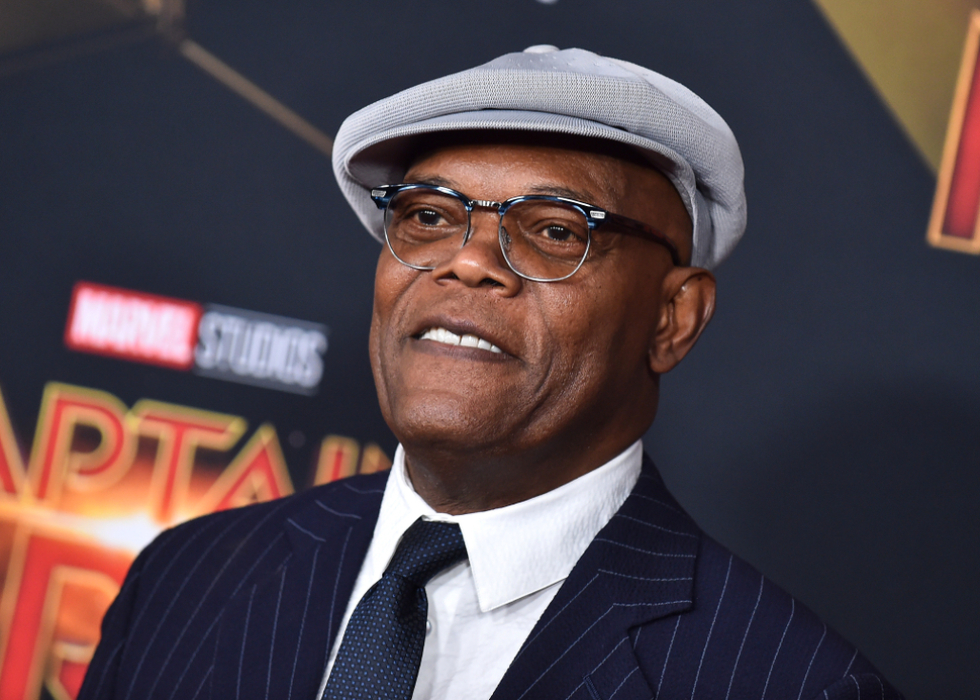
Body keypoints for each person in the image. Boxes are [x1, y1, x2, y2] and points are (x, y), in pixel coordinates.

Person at [78, 46, 902, 700]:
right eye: (429, 215)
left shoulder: (791, 684)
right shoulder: (189, 575)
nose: (467, 262)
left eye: (555, 231)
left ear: (671, 318)